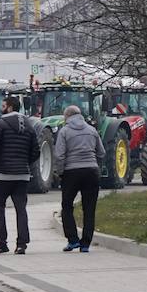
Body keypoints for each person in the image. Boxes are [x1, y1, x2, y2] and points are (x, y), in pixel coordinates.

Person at [0, 95, 39, 254]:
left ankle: (1, 243)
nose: (1, 108)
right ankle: (22, 244)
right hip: (22, 175)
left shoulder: (0, 124)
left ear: (9, 107)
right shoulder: (29, 125)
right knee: (21, 209)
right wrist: (24, 163)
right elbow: (36, 150)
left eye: (3, 106)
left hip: (3, 175)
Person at [53, 104, 105, 253]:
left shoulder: (64, 131)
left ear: (67, 116)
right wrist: (94, 164)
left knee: (67, 206)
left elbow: (59, 155)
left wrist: (60, 172)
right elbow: (101, 152)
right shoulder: (92, 130)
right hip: (91, 172)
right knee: (89, 209)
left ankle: (73, 240)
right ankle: (85, 244)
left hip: (71, 173)